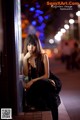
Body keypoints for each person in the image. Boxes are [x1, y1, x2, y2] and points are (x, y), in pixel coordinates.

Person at [22, 34, 61, 120]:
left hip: (48, 81)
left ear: (37, 45)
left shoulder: (43, 56)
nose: (31, 48)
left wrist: (32, 81)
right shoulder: (26, 58)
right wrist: (25, 60)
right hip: (39, 85)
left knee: (49, 91)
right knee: (48, 95)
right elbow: (25, 75)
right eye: (28, 45)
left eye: (33, 45)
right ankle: (55, 101)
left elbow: (46, 75)